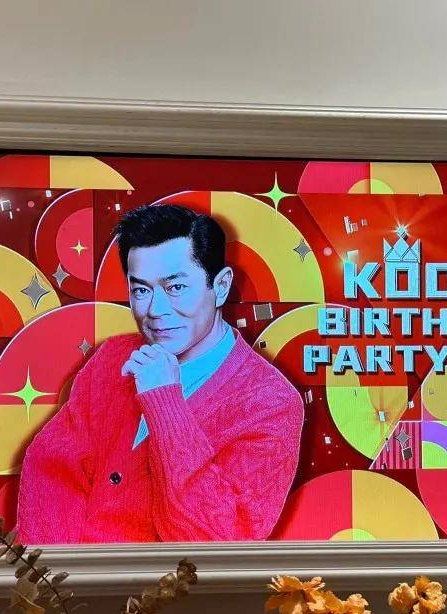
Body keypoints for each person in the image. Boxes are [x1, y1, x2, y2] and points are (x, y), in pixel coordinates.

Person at [16, 204, 304, 543]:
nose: (155, 310)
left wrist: (165, 403)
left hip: (169, 579)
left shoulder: (272, 402)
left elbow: (214, 541)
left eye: (176, 288)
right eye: (141, 290)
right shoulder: (113, 356)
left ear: (222, 286)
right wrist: (59, 567)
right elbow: (51, 468)